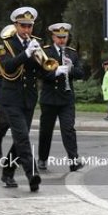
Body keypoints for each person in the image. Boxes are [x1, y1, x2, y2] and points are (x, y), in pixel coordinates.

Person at [0, 6, 42, 191]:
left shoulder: (35, 43)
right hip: (11, 97)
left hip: (29, 98)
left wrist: (55, 70)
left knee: (20, 139)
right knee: (22, 137)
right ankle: (32, 174)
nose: (27, 30)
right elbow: (7, 67)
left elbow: (40, 70)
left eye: (30, 26)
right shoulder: (5, 43)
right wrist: (27, 53)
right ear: (16, 25)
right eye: (23, 26)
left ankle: (7, 171)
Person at [37, 23, 84, 172]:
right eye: (59, 37)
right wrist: (56, 72)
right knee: (46, 130)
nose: (62, 40)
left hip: (66, 98)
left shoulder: (72, 53)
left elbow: (81, 73)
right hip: (49, 98)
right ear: (53, 37)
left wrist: (71, 68)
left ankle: (73, 160)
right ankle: (43, 159)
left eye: (65, 37)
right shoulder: (45, 52)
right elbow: (40, 74)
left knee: (68, 129)